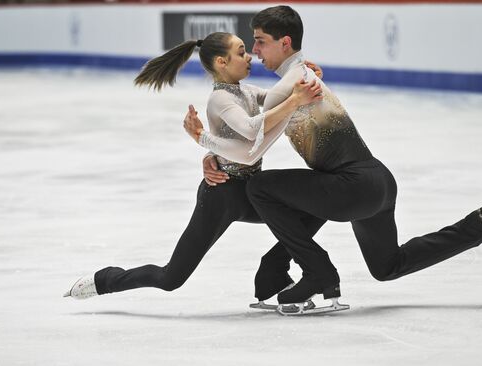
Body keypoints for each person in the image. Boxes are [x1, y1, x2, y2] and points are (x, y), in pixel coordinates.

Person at [199, 5, 482, 308]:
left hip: (352, 186)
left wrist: (206, 143)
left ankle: (318, 273)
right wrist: (215, 150)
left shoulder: (289, 88)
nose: (254, 51)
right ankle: (481, 224)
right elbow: (256, 111)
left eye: (260, 41)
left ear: (284, 43)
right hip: (377, 182)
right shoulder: (302, 76)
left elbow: (250, 148)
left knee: (260, 187)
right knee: (388, 266)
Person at [63, 32, 323, 300]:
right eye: (241, 51)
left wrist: (303, 76)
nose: (249, 57)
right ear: (222, 62)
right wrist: (294, 100)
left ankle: (273, 275)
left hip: (251, 191)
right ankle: (106, 279)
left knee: (315, 207)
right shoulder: (220, 99)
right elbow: (250, 130)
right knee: (171, 278)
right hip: (220, 194)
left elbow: (273, 98)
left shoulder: (245, 91)